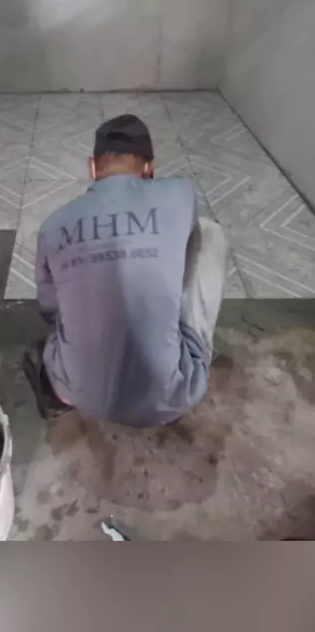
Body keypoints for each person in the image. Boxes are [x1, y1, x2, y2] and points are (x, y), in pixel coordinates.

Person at [23, 113, 228, 427]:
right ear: (149, 168)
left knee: (63, 327)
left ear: (92, 167)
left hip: (79, 392)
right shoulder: (180, 195)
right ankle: (176, 364)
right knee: (210, 234)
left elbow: (51, 312)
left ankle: (64, 393)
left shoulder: (53, 226)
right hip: (173, 395)